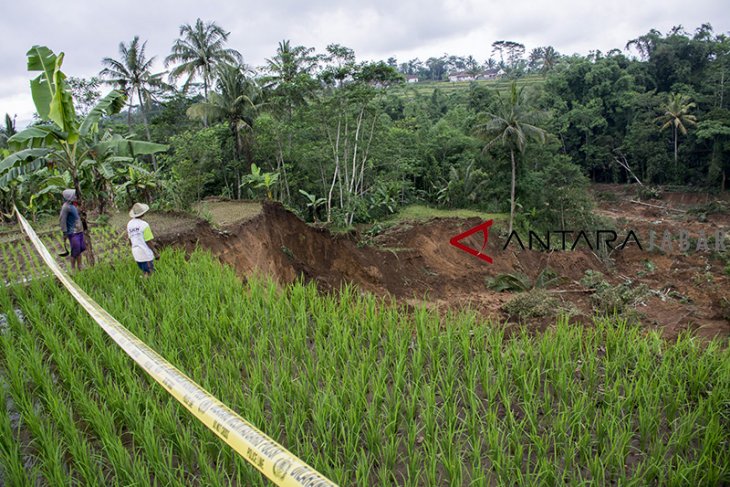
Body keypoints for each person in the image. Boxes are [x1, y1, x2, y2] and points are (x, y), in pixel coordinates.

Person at [127, 203, 157, 276]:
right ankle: (148, 286)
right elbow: (148, 241)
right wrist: (156, 253)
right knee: (150, 273)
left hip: (136, 253)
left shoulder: (129, 224)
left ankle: (144, 285)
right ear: (143, 214)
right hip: (145, 253)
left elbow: (130, 240)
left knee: (145, 272)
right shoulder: (144, 225)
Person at [59, 189, 85, 271]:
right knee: (75, 250)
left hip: (79, 230)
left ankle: (80, 266)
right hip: (72, 232)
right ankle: (73, 268)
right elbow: (62, 220)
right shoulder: (65, 207)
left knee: (80, 249)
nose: (76, 196)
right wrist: (64, 232)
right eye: (74, 195)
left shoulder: (73, 205)